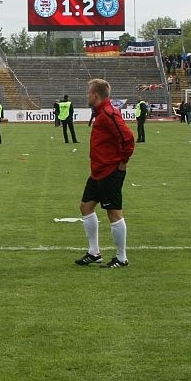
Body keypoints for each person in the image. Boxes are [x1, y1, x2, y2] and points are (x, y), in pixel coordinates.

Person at [74, 79, 135, 268]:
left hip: (110, 170)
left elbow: (128, 138)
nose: (87, 96)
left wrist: (123, 162)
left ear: (95, 95)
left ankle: (121, 258)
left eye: (88, 93)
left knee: (114, 212)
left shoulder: (108, 113)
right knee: (86, 206)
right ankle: (94, 252)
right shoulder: (101, 113)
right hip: (98, 171)